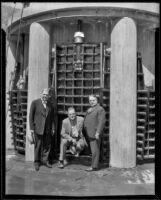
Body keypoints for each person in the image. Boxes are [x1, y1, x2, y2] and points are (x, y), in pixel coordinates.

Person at [29, 88, 55, 171]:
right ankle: (37, 162)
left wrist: (53, 128)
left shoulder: (50, 104)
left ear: (49, 96)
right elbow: (30, 116)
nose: (45, 96)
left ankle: (45, 161)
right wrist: (32, 129)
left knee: (47, 146)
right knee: (38, 145)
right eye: (44, 94)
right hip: (38, 128)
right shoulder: (35, 103)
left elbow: (52, 118)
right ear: (41, 94)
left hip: (47, 129)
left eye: (46, 95)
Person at [84, 94, 106, 171]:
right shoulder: (90, 109)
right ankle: (94, 164)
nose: (92, 102)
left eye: (93, 100)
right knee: (94, 150)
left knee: (95, 150)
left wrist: (98, 132)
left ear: (97, 100)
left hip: (95, 133)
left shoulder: (100, 109)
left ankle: (94, 166)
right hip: (89, 133)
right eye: (90, 100)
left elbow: (101, 122)